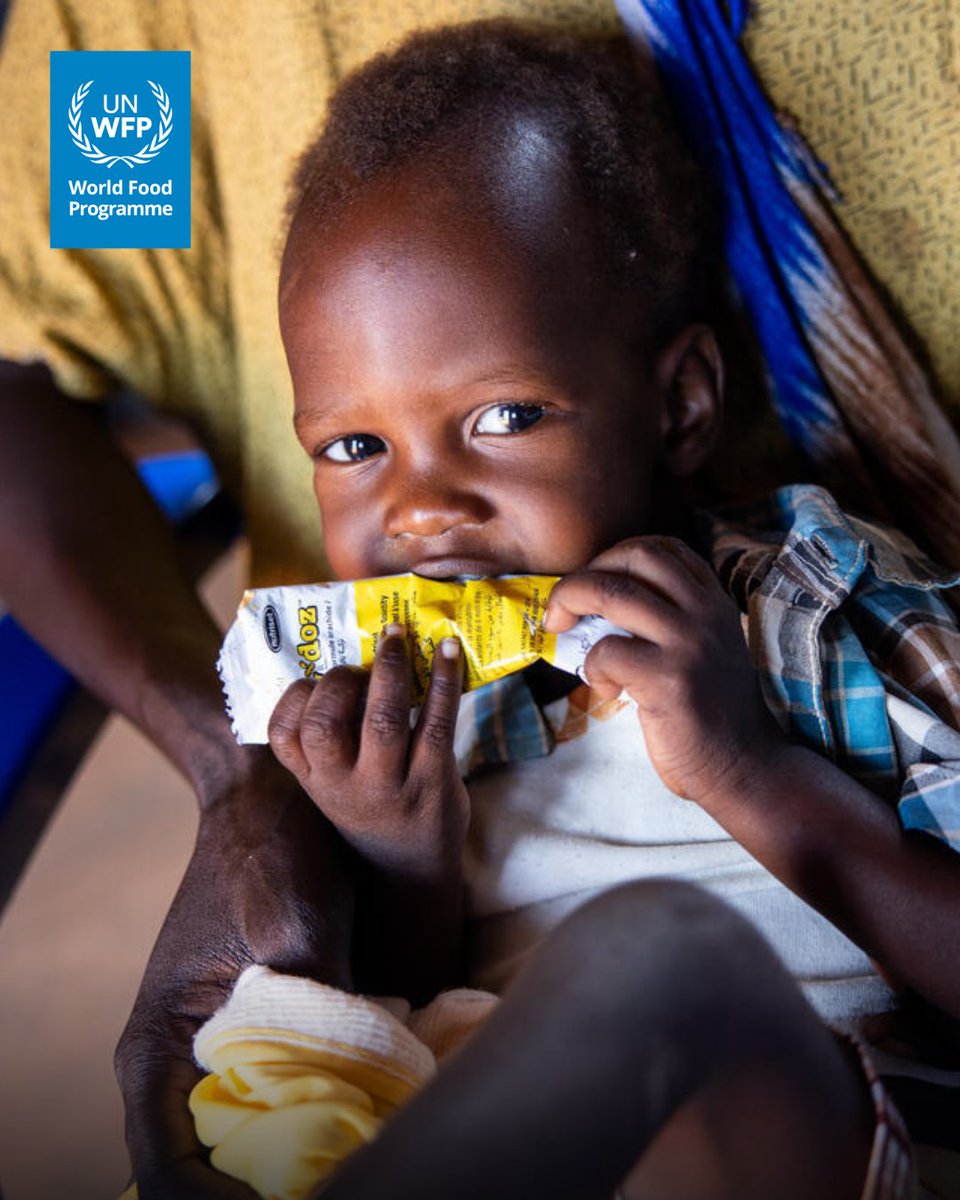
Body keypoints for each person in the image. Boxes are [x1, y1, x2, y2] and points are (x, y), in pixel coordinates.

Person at [138, 20, 959, 1200]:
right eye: (355, 446)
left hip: (836, 1150)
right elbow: (451, 1028)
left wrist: (753, 775)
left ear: (678, 404)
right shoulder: (403, 724)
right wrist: (408, 869)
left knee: (652, 956)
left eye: (504, 417)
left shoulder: (817, 614)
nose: (420, 507)